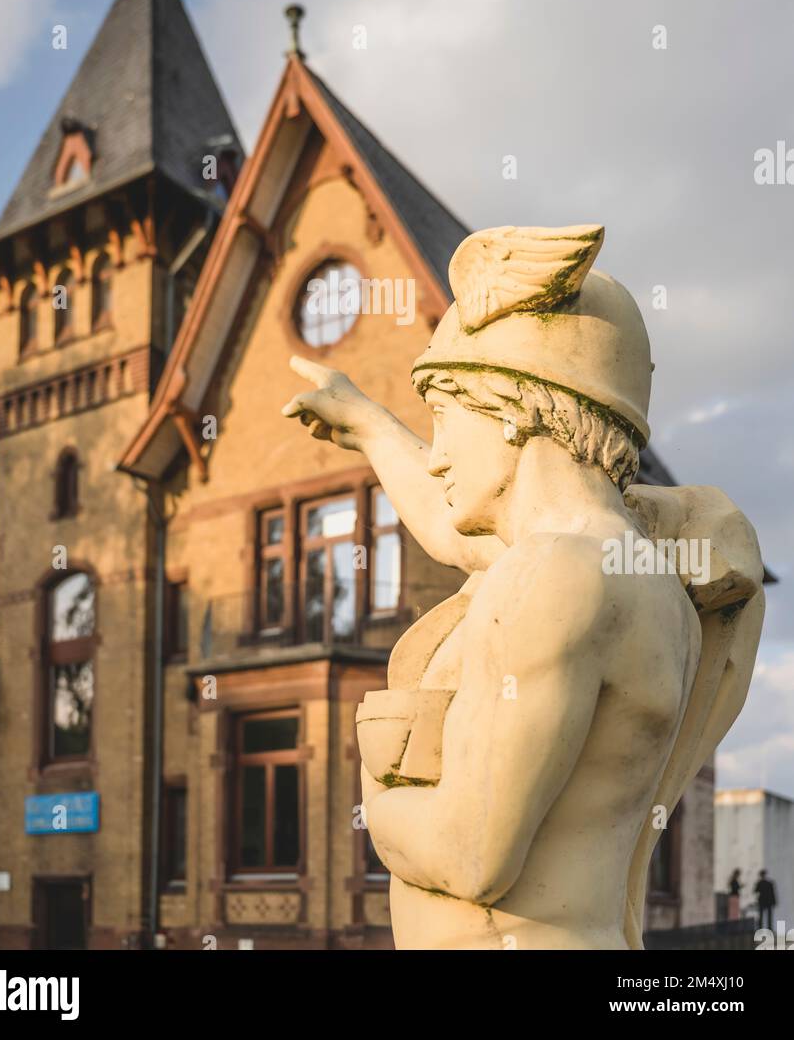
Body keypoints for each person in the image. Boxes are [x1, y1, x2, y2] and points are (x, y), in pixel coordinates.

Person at [283, 224, 765, 950]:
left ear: (512, 410)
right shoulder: (629, 569)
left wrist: (376, 795)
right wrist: (370, 428)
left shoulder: (556, 575)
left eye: (444, 418)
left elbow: (469, 855)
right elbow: (458, 533)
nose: (437, 456)